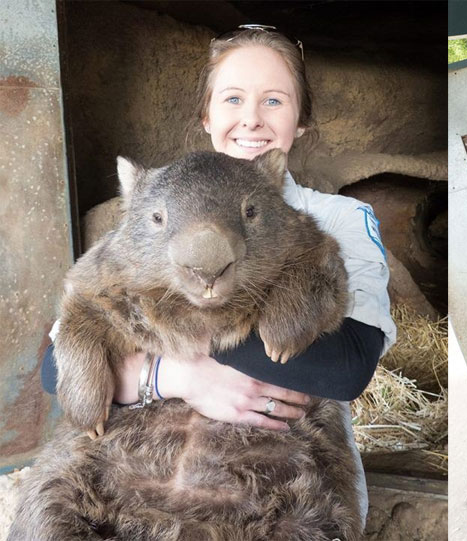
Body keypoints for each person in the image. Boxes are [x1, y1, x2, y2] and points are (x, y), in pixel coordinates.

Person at [41, 25, 397, 530]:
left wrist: (170, 337)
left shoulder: (337, 217)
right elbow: (58, 368)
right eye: (233, 98)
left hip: (274, 487)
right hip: (122, 479)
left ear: (301, 121)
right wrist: (179, 377)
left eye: (274, 100)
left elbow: (345, 368)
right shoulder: (152, 200)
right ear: (207, 115)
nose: (251, 117)